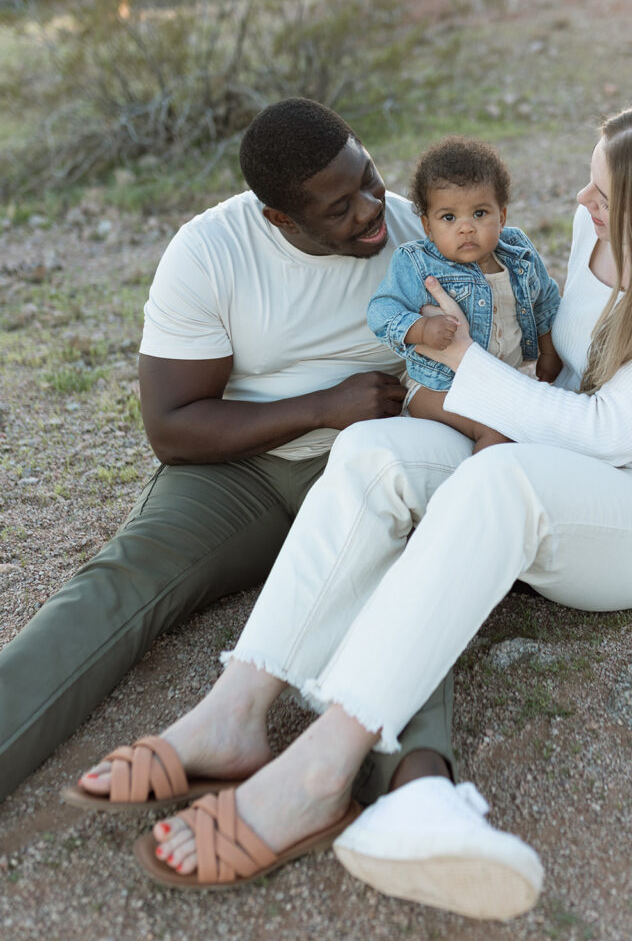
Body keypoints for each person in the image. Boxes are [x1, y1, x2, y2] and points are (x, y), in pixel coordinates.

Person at [67, 96, 632, 920]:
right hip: (540, 452)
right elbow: (553, 360)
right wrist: (476, 382)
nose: (583, 207)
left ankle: (318, 774)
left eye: (605, 196)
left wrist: (467, 370)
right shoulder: (597, 231)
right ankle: (235, 712)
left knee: (496, 480)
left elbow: (608, 431)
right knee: (370, 451)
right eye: (591, 187)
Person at [0, 97, 463, 812]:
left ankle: (416, 794)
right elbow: (173, 427)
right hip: (238, 473)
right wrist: (319, 408)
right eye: (339, 208)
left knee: (403, 586)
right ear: (280, 217)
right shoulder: (210, 252)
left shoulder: (421, 235)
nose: (372, 208)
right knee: (123, 580)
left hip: (367, 472)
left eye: (369, 177)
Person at [367, 136, 561, 450]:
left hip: (504, 379)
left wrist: (549, 352)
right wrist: (422, 329)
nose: (466, 227)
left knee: (548, 425)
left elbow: (545, 301)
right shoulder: (416, 262)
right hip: (437, 387)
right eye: (449, 217)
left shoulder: (518, 253)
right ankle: (474, 491)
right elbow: (381, 311)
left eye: (480, 213)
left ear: (503, 215)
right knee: (499, 432)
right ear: (427, 226)